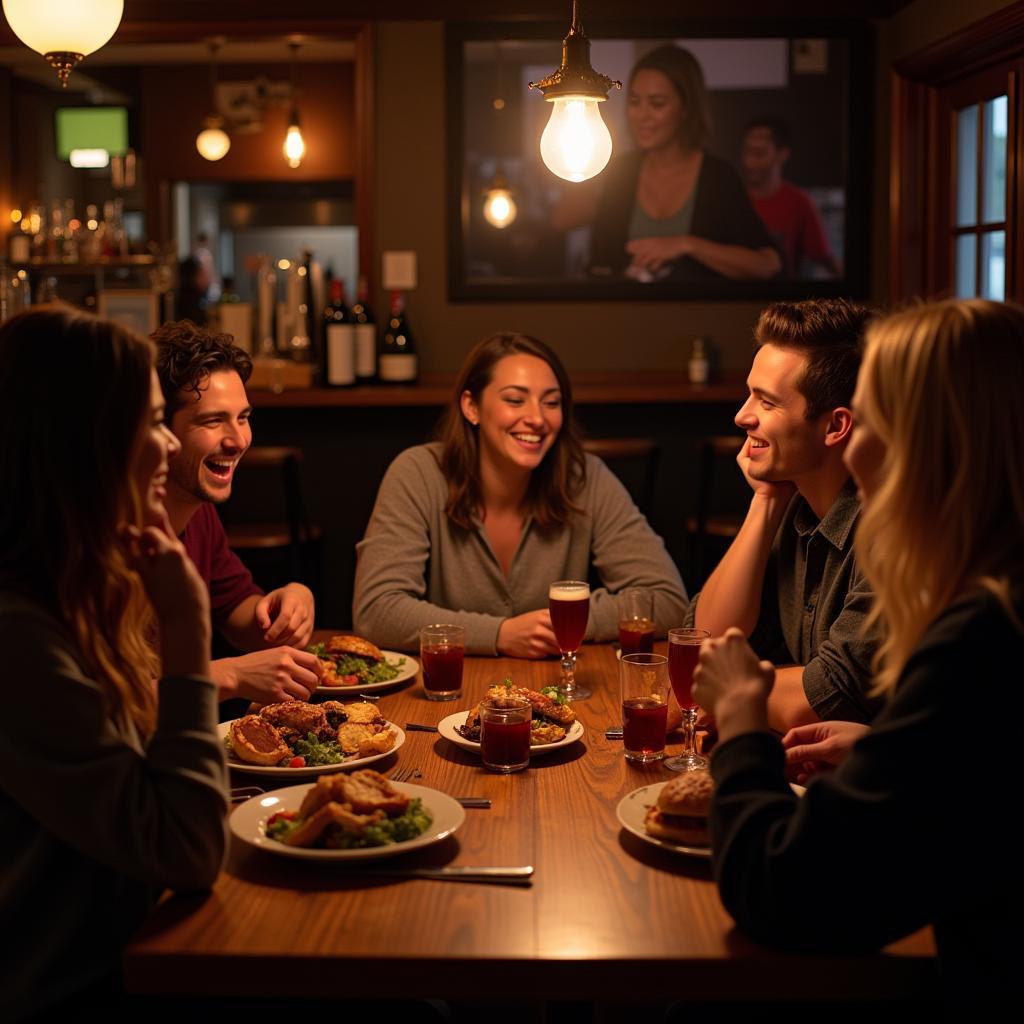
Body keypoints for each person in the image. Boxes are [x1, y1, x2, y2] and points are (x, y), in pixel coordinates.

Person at [693, 298, 1024, 1000]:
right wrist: (885, 748)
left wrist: (746, 731)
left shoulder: (981, 638)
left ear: (929, 444)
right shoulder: (997, 599)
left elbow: (780, 892)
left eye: (871, 419)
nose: (857, 449)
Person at [0, 306, 228, 1020]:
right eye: (155, 421)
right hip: (81, 989)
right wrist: (190, 630)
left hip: (146, 942)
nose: (169, 445)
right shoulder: (20, 639)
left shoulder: (83, 586)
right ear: (89, 443)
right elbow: (187, 849)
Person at [354, 332, 688, 657]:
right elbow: (377, 610)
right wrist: (499, 635)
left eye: (552, 402)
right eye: (515, 400)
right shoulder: (418, 473)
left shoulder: (586, 478)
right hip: (447, 696)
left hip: (554, 692)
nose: (537, 418)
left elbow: (667, 602)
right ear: (471, 407)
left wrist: (556, 625)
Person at [689, 298, 880, 731]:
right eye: (748, 394)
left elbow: (828, 695)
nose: (742, 416)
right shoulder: (793, 501)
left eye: (767, 402)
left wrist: (730, 692)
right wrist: (765, 503)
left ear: (835, 426)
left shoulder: (889, 530)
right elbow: (705, 645)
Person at [152, 320, 322, 704]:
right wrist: (229, 675)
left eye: (243, 418)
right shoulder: (98, 530)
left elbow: (235, 610)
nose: (238, 440)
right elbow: (82, 709)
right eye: (213, 420)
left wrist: (286, 603)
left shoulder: (197, 510)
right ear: (159, 429)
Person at [556, 45, 780, 282]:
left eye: (657, 103)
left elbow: (767, 264)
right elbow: (572, 231)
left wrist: (687, 244)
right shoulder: (621, 172)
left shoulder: (717, 177)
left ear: (685, 108)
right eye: (634, 102)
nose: (642, 116)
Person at [741, 116, 841, 279]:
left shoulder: (800, 202)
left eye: (759, 154)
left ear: (782, 155)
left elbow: (824, 259)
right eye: (747, 152)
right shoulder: (733, 199)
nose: (750, 162)